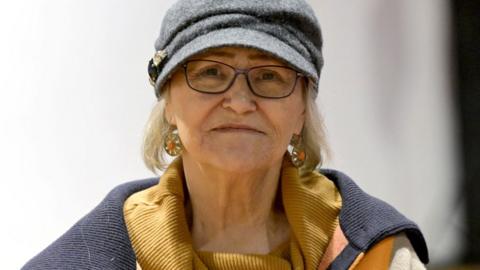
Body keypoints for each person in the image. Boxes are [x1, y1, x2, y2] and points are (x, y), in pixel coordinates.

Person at [23, 0, 429, 269]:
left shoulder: (376, 253)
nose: (239, 101)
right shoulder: (85, 260)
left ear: (302, 110)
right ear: (168, 101)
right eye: (210, 72)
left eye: (269, 76)